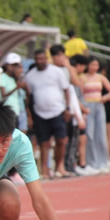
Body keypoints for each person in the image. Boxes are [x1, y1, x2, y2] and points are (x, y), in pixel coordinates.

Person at [24, 49, 72, 179]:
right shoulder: (30, 75)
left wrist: (68, 108)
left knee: (61, 140)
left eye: (42, 59)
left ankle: (60, 167)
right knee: (44, 142)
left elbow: (66, 90)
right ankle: (45, 170)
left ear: (46, 58)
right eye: (37, 59)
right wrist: (30, 115)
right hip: (40, 113)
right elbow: (28, 97)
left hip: (58, 111)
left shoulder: (56, 71)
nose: (40, 61)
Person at [78, 56, 110, 172]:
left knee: (101, 133)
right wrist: (83, 107)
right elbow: (78, 94)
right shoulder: (82, 78)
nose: (94, 67)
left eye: (96, 65)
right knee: (90, 134)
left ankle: (103, 161)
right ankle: (92, 162)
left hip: (99, 105)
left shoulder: (100, 77)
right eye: (92, 65)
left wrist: (105, 97)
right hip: (87, 106)